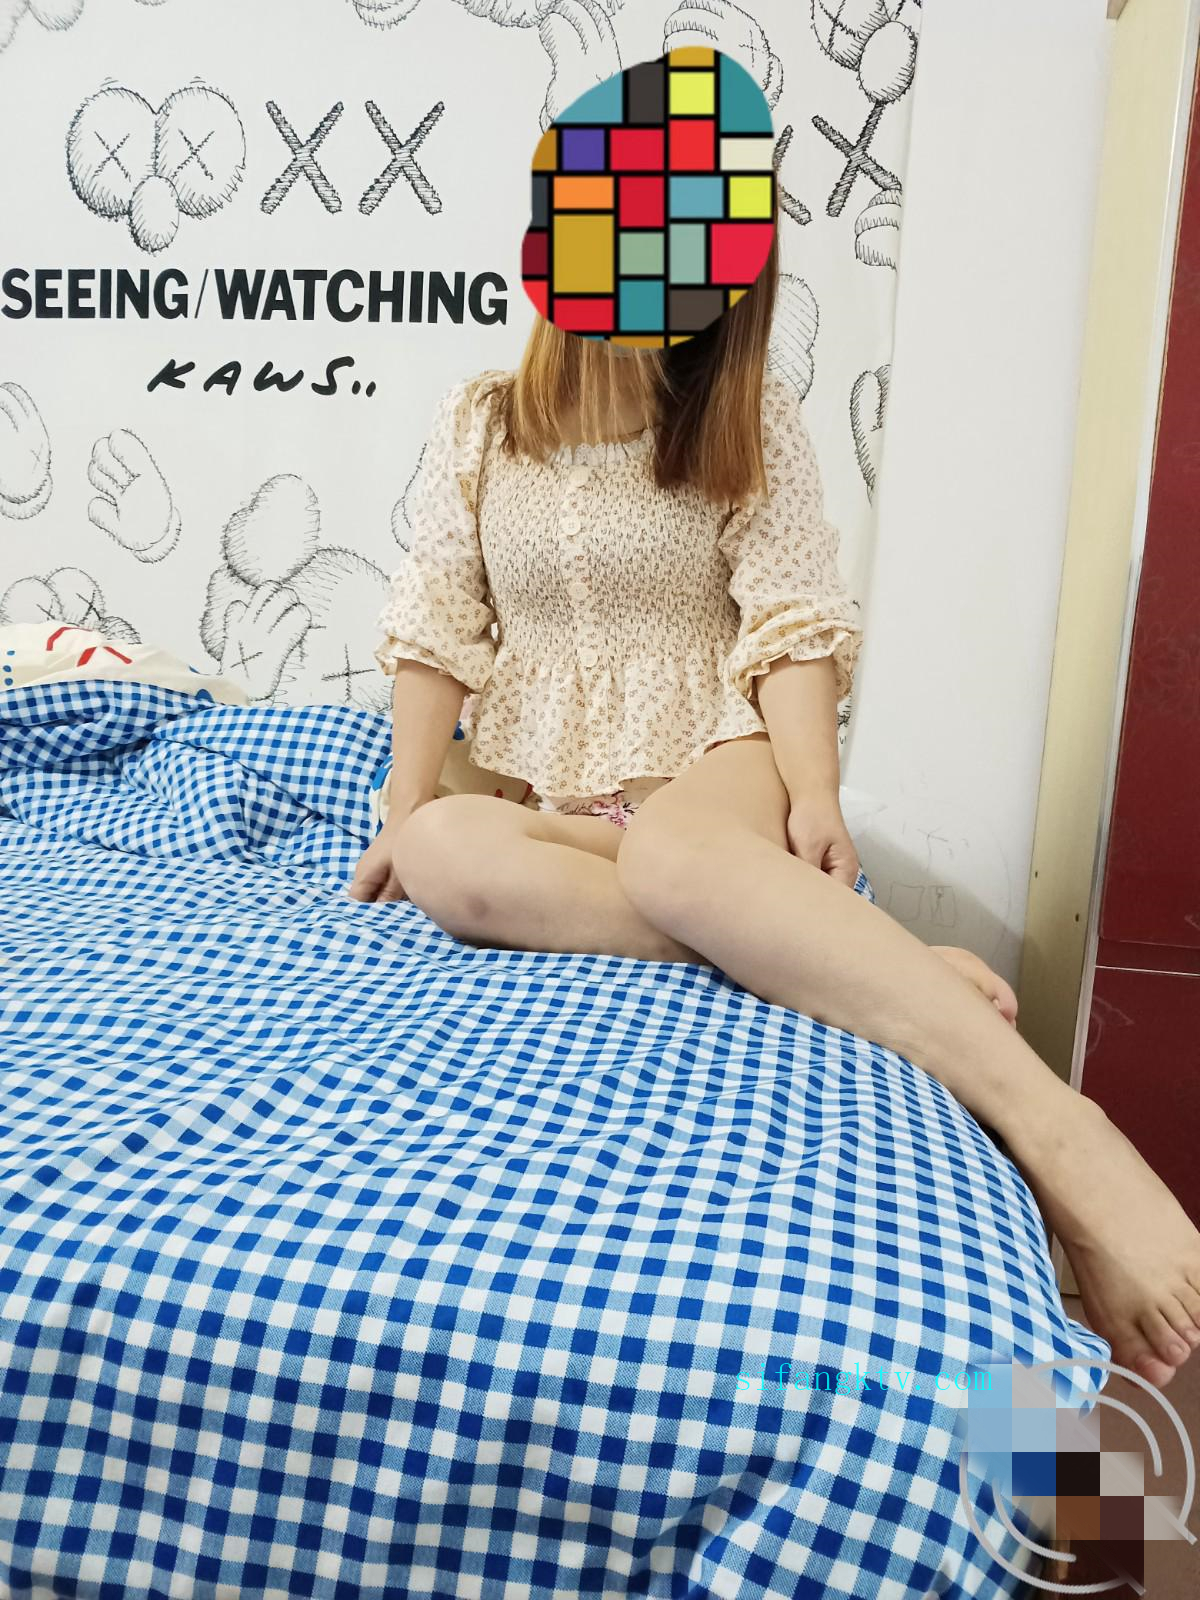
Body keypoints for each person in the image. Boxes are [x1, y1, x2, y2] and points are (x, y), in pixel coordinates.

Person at [349, 230, 1200, 1390]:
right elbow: (438, 621)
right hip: (556, 794)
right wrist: (402, 809)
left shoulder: (748, 416)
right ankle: (867, 956)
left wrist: (812, 794)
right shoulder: (482, 421)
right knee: (448, 849)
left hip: (715, 759)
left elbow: (790, 617)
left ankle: (1060, 1130)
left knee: (679, 858)